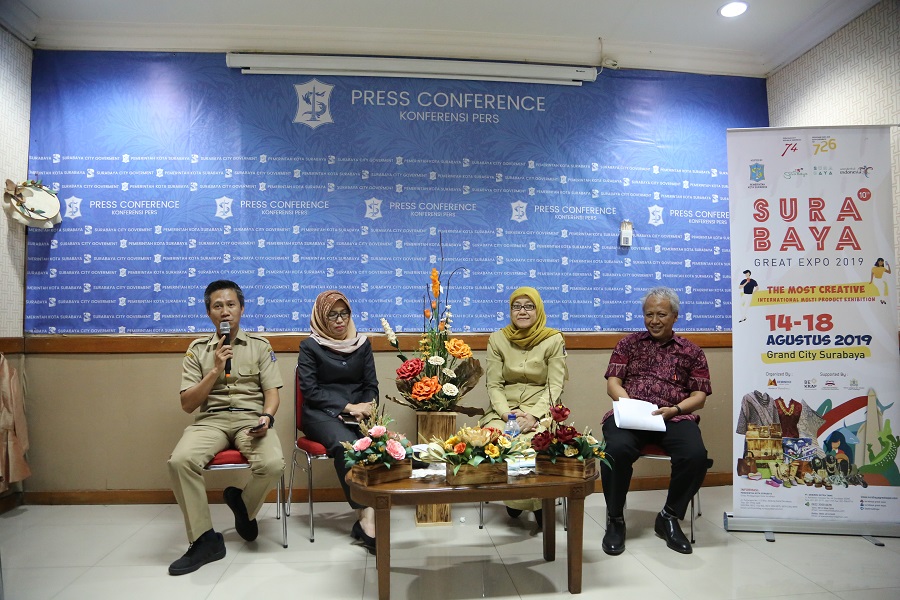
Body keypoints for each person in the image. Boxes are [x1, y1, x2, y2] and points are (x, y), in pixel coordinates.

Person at [167, 280, 284, 575]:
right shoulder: (196, 351)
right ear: (209, 313)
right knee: (180, 462)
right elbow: (187, 404)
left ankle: (242, 505)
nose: (225, 312)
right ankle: (205, 539)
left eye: (231, 305)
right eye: (217, 306)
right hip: (211, 421)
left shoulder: (260, 346)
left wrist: (266, 417)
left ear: (241, 309)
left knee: (272, 464)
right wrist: (216, 369)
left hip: (250, 419)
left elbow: (272, 392)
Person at [600, 286, 711, 555]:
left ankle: (669, 517)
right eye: (648, 314)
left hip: (673, 416)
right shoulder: (628, 344)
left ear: (675, 316)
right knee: (614, 450)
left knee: (695, 455)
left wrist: (674, 409)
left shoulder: (691, 351)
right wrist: (628, 404)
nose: (654, 320)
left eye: (661, 314)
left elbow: (699, 396)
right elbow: (613, 383)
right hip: (631, 413)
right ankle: (615, 519)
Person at [297, 290, 379, 554]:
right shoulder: (310, 346)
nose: (340, 320)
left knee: (381, 443)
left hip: (359, 412)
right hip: (322, 414)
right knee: (348, 446)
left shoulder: (362, 344)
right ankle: (365, 515)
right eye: (332, 315)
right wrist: (346, 407)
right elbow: (309, 390)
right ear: (321, 317)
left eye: (344, 314)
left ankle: (377, 506)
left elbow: (371, 385)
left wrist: (365, 407)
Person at [480, 286, 567, 525]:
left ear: (538, 309)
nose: (522, 312)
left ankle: (537, 501)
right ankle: (514, 499)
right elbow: (494, 384)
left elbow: (554, 385)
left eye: (529, 306)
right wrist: (507, 414)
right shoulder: (497, 338)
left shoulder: (553, 339)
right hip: (504, 408)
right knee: (499, 437)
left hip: (541, 408)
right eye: (516, 306)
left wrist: (533, 416)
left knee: (535, 439)